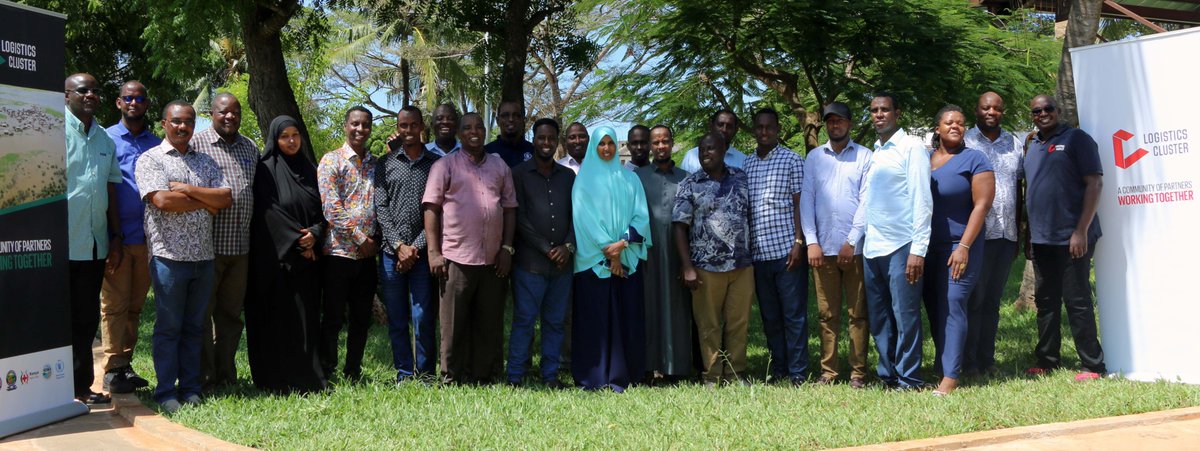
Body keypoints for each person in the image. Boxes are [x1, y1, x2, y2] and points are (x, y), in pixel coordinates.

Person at [135, 100, 232, 413]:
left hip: (203, 257)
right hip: (168, 258)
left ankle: (190, 389)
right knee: (169, 328)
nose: (182, 126)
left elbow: (226, 198)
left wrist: (188, 190)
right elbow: (162, 200)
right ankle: (165, 392)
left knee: (194, 328)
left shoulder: (204, 160)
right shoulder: (150, 159)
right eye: (176, 121)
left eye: (188, 121)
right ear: (164, 123)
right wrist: (205, 199)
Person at [423, 112, 517, 384]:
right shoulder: (444, 166)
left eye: (479, 127)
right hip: (456, 258)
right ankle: (450, 377)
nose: (474, 132)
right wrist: (434, 252)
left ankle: (484, 375)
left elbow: (510, 208)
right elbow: (431, 208)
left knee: (489, 323)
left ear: (486, 132)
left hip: (492, 259)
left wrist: (507, 248)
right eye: (467, 128)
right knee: (453, 324)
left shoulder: (500, 167)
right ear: (459, 133)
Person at [1023, 94, 1106, 381]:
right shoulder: (1033, 145)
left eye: (1048, 108)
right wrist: (1030, 237)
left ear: (1058, 111)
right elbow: (1032, 192)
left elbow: (1094, 183)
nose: (1043, 113)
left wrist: (1081, 230)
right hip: (1042, 239)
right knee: (1045, 301)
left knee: (1077, 300)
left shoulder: (1077, 139)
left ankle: (1093, 365)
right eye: (1037, 110)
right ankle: (1047, 359)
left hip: (1073, 237)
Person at [245, 115, 327, 393]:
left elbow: (325, 211)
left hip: (309, 260)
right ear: (275, 140)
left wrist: (314, 235)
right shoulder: (265, 170)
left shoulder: (311, 169)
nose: (291, 141)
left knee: (306, 319)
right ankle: (277, 379)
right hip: (277, 261)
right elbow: (267, 210)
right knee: (278, 319)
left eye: (295, 135)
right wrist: (297, 241)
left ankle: (309, 377)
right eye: (284, 137)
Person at [570, 126, 651, 392]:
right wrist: (609, 251)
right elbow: (584, 220)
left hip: (626, 257)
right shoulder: (583, 181)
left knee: (627, 319)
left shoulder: (630, 179)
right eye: (601, 143)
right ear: (594, 147)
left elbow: (642, 216)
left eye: (611, 143)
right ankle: (593, 376)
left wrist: (622, 244)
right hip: (595, 264)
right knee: (596, 321)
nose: (606, 148)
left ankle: (628, 374)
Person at [862, 94, 932, 390]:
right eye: (874, 110)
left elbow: (922, 200)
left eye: (885, 109)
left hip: (902, 246)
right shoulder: (875, 151)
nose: (879, 114)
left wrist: (918, 249)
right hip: (872, 247)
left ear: (897, 113)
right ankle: (888, 375)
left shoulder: (912, 147)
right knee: (880, 319)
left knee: (905, 317)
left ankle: (909, 377)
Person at [924, 105, 995, 396]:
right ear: (937, 128)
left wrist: (964, 246)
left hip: (961, 245)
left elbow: (982, 205)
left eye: (961, 123)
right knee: (934, 307)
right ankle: (943, 364)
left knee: (954, 302)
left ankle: (951, 377)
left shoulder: (975, 159)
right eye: (949, 122)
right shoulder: (925, 160)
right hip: (928, 246)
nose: (956, 126)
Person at [800, 102, 872, 388]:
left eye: (840, 120)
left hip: (855, 250)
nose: (835, 125)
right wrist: (811, 242)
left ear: (850, 124)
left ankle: (858, 373)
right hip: (822, 250)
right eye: (830, 121)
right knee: (826, 315)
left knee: (858, 314)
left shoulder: (866, 156)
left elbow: (868, 202)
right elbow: (807, 200)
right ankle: (828, 371)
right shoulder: (815, 158)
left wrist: (852, 240)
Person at [673, 132, 753, 387]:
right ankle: (711, 375)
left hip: (741, 265)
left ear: (723, 150)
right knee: (708, 325)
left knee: (738, 323)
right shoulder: (690, 183)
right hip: (705, 266)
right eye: (702, 150)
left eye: (711, 149)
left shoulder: (740, 177)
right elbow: (679, 227)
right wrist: (687, 267)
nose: (706, 153)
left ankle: (736, 373)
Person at [191, 92, 259, 389]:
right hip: (208, 246)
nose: (230, 117)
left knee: (231, 316)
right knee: (203, 316)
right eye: (223, 112)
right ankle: (205, 376)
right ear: (211, 113)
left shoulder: (250, 147)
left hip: (241, 247)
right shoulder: (196, 144)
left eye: (235, 112)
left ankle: (226, 373)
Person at [64, 73, 122, 405]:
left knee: (86, 320)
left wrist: (115, 237)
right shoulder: (51, 133)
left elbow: (111, 189)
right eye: (82, 90)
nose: (90, 95)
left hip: (95, 244)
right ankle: (50, 388)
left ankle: (81, 387)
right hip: (60, 244)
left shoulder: (104, 139)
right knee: (58, 318)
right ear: (66, 95)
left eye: (94, 91)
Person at [100, 80, 160, 394]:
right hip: (116, 239)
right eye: (128, 98)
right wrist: (113, 237)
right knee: (114, 306)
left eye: (139, 98)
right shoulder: (106, 138)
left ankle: (125, 364)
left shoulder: (156, 143)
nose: (134, 102)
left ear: (146, 104)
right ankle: (111, 369)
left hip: (148, 239)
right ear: (119, 103)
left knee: (135, 307)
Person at [506, 118, 575, 388]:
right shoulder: (518, 174)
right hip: (529, 264)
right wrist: (547, 248)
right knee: (524, 320)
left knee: (555, 322)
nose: (546, 143)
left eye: (551, 138)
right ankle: (515, 376)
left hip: (562, 265)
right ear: (533, 140)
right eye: (541, 138)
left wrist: (567, 246)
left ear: (557, 141)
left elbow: (576, 215)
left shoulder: (568, 176)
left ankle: (550, 375)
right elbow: (519, 218)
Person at [743, 107, 809, 385]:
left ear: (778, 130)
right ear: (754, 130)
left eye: (770, 127)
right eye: (759, 127)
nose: (764, 132)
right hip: (758, 255)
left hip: (786, 252)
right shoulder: (746, 165)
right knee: (770, 317)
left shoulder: (792, 160)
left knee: (793, 316)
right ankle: (778, 368)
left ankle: (798, 372)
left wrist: (798, 241)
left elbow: (799, 203)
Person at [376, 105, 440, 383]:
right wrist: (399, 245)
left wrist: (415, 246)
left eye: (413, 125)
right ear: (398, 127)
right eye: (403, 126)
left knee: (423, 317)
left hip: (423, 254)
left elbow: (440, 209)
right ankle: (404, 372)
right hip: (392, 254)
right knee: (398, 318)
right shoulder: (385, 164)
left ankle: (425, 374)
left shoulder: (436, 163)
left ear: (422, 126)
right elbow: (381, 206)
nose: (408, 131)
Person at [962, 92, 1024, 378]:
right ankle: (969, 361)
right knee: (974, 299)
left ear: (1003, 111)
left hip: (1006, 234)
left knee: (992, 301)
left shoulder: (1015, 143)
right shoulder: (965, 142)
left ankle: (987, 359)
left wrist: (1019, 233)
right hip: (976, 237)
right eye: (985, 107)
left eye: (996, 108)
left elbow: (1020, 188)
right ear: (977, 110)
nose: (991, 112)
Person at [317, 106, 379, 382]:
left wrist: (371, 242)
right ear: (345, 126)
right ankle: (327, 371)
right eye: (355, 124)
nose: (360, 130)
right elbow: (331, 208)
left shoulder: (376, 164)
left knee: (361, 319)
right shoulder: (332, 161)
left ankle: (353, 371)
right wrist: (359, 238)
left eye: (365, 125)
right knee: (332, 318)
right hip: (339, 253)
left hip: (367, 257)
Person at [635, 125, 692, 383]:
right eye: (655, 142)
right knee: (648, 308)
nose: (660, 146)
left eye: (665, 141)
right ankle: (648, 366)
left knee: (678, 310)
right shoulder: (638, 177)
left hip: (679, 253)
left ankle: (676, 368)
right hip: (648, 254)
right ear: (649, 145)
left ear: (672, 143)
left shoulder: (686, 178)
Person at [679, 109, 745, 173]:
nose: (724, 130)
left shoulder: (743, 160)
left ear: (735, 130)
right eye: (720, 125)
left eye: (729, 126)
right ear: (711, 126)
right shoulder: (691, 157)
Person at [485, 101, 533, 168]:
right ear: (497, 121)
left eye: (516, 115)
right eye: (505, 115)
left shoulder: (534, 151)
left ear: (523, 120)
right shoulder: (486, 152)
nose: (511, 119)